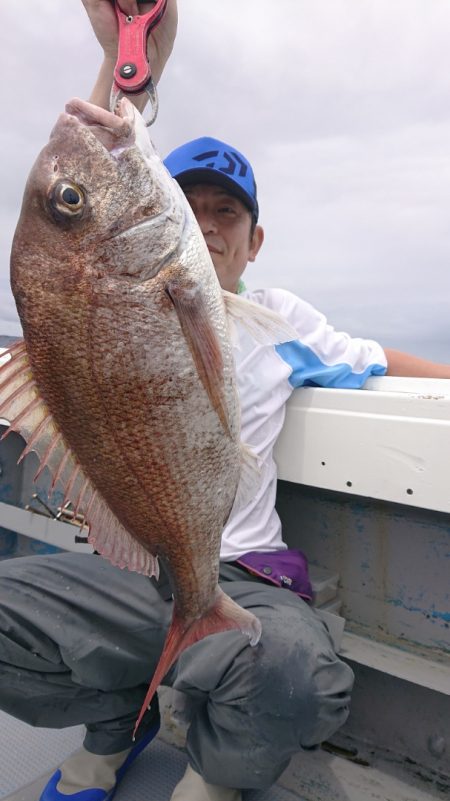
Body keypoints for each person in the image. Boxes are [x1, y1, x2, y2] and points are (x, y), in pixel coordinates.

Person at [2, 3, 450, 801]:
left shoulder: (285, 320)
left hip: (237, 573)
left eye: (227, 213)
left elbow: (382, 358)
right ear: (162, 203)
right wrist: (126, 56)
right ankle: (121, 719)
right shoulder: (125, 278)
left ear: (254, 239)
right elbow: (99, 170)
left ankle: (214, 769)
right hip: (132, 566)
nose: (207, 226)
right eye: (192, 203)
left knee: (293, 675)